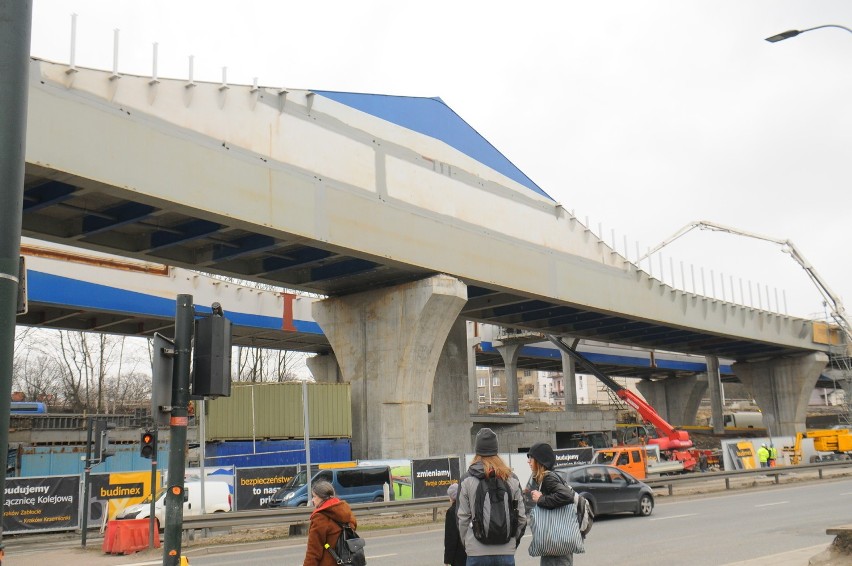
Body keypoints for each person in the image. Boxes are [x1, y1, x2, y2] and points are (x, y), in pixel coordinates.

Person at [458, 428, 526, 566]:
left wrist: (469, 545)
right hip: (506, 552)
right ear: (496, 450)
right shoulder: (511, 479)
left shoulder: (467, 480)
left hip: (476, 552)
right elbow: (522, 518)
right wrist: (512, 542)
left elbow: (462, 519)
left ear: (477, 450)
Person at [527, 442, 577, 566]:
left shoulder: (548, 478)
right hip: (556, 542)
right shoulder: (547, 477)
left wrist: (541, 499)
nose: (528, 461)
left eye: (531, 458)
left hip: (557, 544)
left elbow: (567, 496)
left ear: (539, 461)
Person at [302, 480, 357, 566]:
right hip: (347, 563)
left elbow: (313, 553)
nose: (312, 500)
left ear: (322, 498)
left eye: (314, 496)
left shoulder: (320, 518)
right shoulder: (345, 511)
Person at [444, 483, 467, 566]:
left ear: (452, 497)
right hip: (471, 552)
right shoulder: (468, 507)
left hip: (458, 555)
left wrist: (448, 559)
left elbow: (451, 537)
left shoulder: (451, 512)